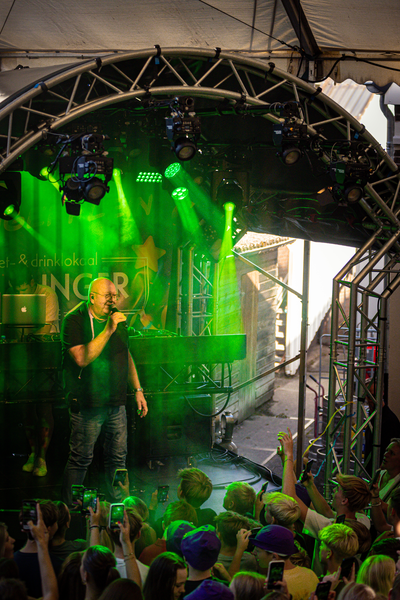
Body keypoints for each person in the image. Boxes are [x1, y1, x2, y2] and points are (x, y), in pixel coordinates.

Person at [61, 277, 147, 505]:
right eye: (107, 295)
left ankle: (119, 504)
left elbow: (125, 356)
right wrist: (108, 330)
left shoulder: (117, 321)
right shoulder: (74, 320)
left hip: (116, 402)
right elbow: (81, 358)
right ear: (92, 297)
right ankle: (71, 508)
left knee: (118, 458)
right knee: (81, 458)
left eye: (115, 295)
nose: (112, 300)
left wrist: (137, 389)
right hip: (88, 403)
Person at [8, 265, 60, 477]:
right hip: (23, 357)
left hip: (45, 355)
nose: (23, 293)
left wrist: (23, 335)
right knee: (26, 408)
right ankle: (32, 453)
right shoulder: (12, 299)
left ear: (32, 281)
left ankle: (43, 457)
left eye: (25, 288)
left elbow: (46, 329)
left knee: (43, 406)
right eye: (18, 290)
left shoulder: (47, 294)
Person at [251, 524, 319, 600]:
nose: (253, 552)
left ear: (274, 557)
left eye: (257, 550)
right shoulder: (311, 574)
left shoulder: (274, 585)